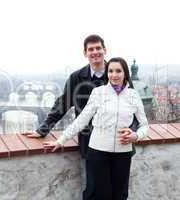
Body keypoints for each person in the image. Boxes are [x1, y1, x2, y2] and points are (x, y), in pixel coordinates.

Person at [24, 34, 137, 199]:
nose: (95, 52)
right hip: (92, 144)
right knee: (94, 192)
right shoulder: (77, 77)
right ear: (85, 53)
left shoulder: (118, 73)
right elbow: (62, 104)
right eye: (91, 49)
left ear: (105, 50)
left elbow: (132, 108)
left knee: (119, 193)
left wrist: (132, 131)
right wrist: (43, 129)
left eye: (98, 48)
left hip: (121, 144)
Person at [43, 57, 149, 200]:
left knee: (120, 195)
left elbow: (144, 125)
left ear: (125, 74)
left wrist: (136, 136)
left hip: (123, 153)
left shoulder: (133, 95)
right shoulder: (98, 93)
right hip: (98, 152)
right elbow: (82, 120)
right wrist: (61, 140)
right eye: (110, 71)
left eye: (118, 71)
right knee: (98, 194)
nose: (114, 75)